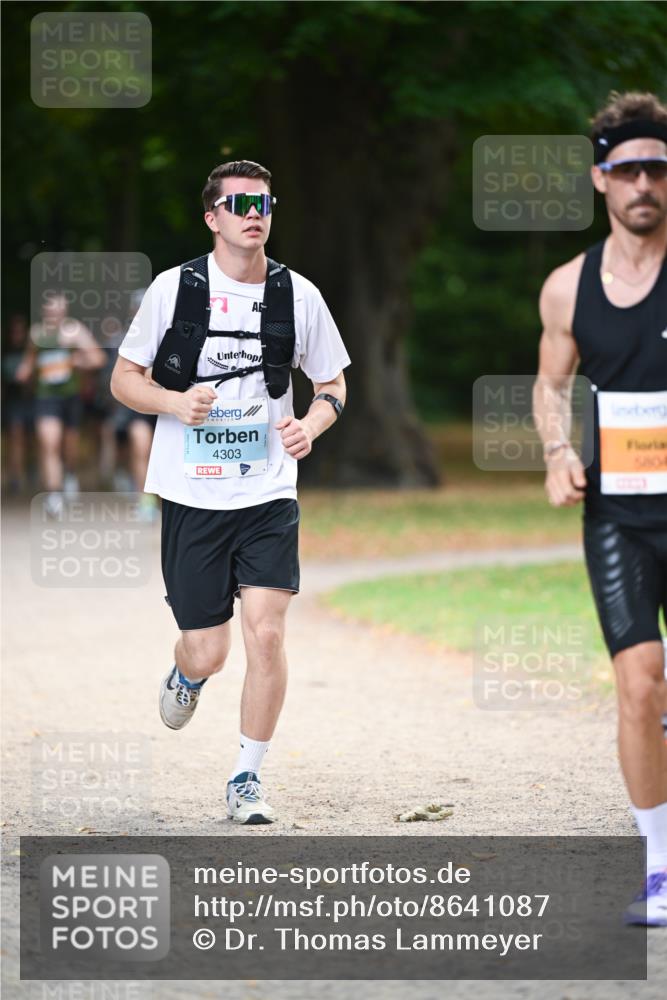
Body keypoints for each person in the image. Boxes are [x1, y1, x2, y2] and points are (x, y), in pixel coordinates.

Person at [111, 160, 350, 824]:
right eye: (239, 202)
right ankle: (187, 675)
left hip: (268, 491)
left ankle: (246, 776)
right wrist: (172, 399)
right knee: (209, 648)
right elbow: (123, 380)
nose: (254, 212)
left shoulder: (298, 295)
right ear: (212, 216)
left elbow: (332, 388)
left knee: (266, 635)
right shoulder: (173, 289)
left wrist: (311, 425)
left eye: (265, 202)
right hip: (190, 492)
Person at [533, 92, 667, 926]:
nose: (644, 182)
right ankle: (658, 866)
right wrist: (554, 450)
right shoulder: (564, 289)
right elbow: (548, 389)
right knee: (639, 686)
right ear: (600, 179)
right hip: (618, 512)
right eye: (628, 170)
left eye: (657, 168)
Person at [17, 293, 105, 515]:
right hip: (46, 396)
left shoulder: (74, 331)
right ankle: (54, 495)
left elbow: (99, 359)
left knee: (69, 447)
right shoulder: (36, 333)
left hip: (70, 397)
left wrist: (76, 359)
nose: (54, 313)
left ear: (64, 311)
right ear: (44, 311)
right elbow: (30, 361)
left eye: (59, 309)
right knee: (50, 443)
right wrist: (25, 371)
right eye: (50, 309)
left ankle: (70, 474)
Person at [2, 314, 33, 495]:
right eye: (14, 331)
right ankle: (16, 477)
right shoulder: (4, 351)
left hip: (31, 400)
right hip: (13, 401)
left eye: (20, 331)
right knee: (15, 437)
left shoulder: (30, 351)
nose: (17, 335)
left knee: (31, 440)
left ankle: (30, 469)